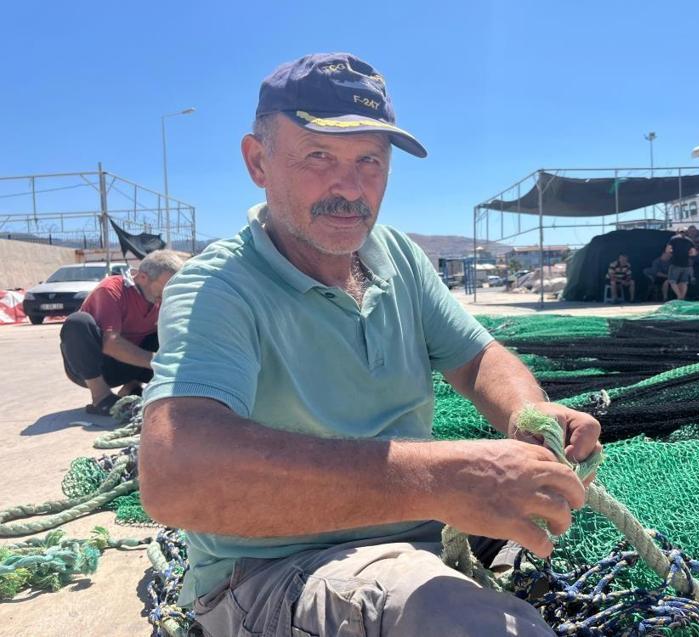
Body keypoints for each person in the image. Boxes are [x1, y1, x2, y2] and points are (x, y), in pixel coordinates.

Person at [139, 53, 602, 637]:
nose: (350, 188)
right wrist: (441, 480)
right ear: (258, 161)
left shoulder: (396, 255)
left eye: (370, 162)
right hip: (271, 569)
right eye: (319, 157)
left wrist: (526, 411)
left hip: (413, 536)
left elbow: (477, 356)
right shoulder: (219, 289)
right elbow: (175, 475)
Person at [59, 250, 183, 415]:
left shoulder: (160, 300)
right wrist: (160, 361)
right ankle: (101, 397)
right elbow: (111, 343)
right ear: (143, 277)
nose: (169, 293)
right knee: (77, 323)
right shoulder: (112, 290)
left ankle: (131, 387)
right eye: (166, 286)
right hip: (94, 366)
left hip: (127, 367)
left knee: (169, 333)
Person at [666, 230, 697, 300]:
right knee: (684, 282)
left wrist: (673, 252)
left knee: (672, 281)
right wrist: (687, 254)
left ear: (677, 232)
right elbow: (694, 253)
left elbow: (667, 250)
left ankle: (679, 296)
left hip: (675, 263)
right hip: (686, 264)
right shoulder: (690, 240)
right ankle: (682, 298)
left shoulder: (673, 238)